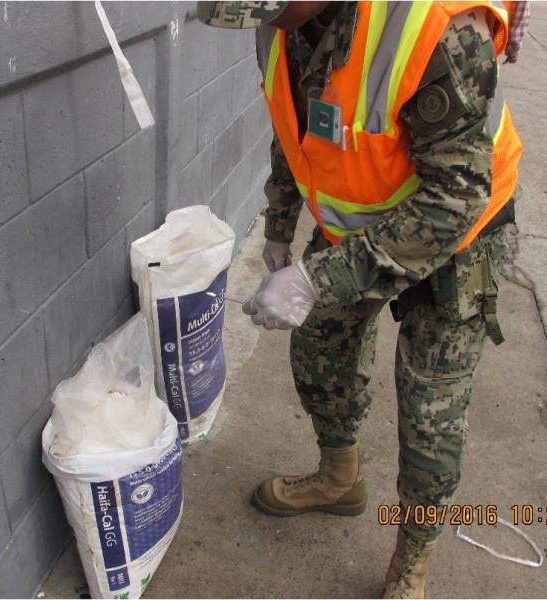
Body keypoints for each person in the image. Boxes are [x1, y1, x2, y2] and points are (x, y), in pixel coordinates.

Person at [199, 1, 522, 597]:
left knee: (430, 413)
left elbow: (454, 200)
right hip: (363, 218)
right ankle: (339, 478)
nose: (270, 23)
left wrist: (315, 278)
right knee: (320, 352)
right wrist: (279, 222)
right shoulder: (284, 26)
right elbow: (294, 124)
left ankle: (413, 558)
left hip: (460, 237)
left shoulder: (435, 28)